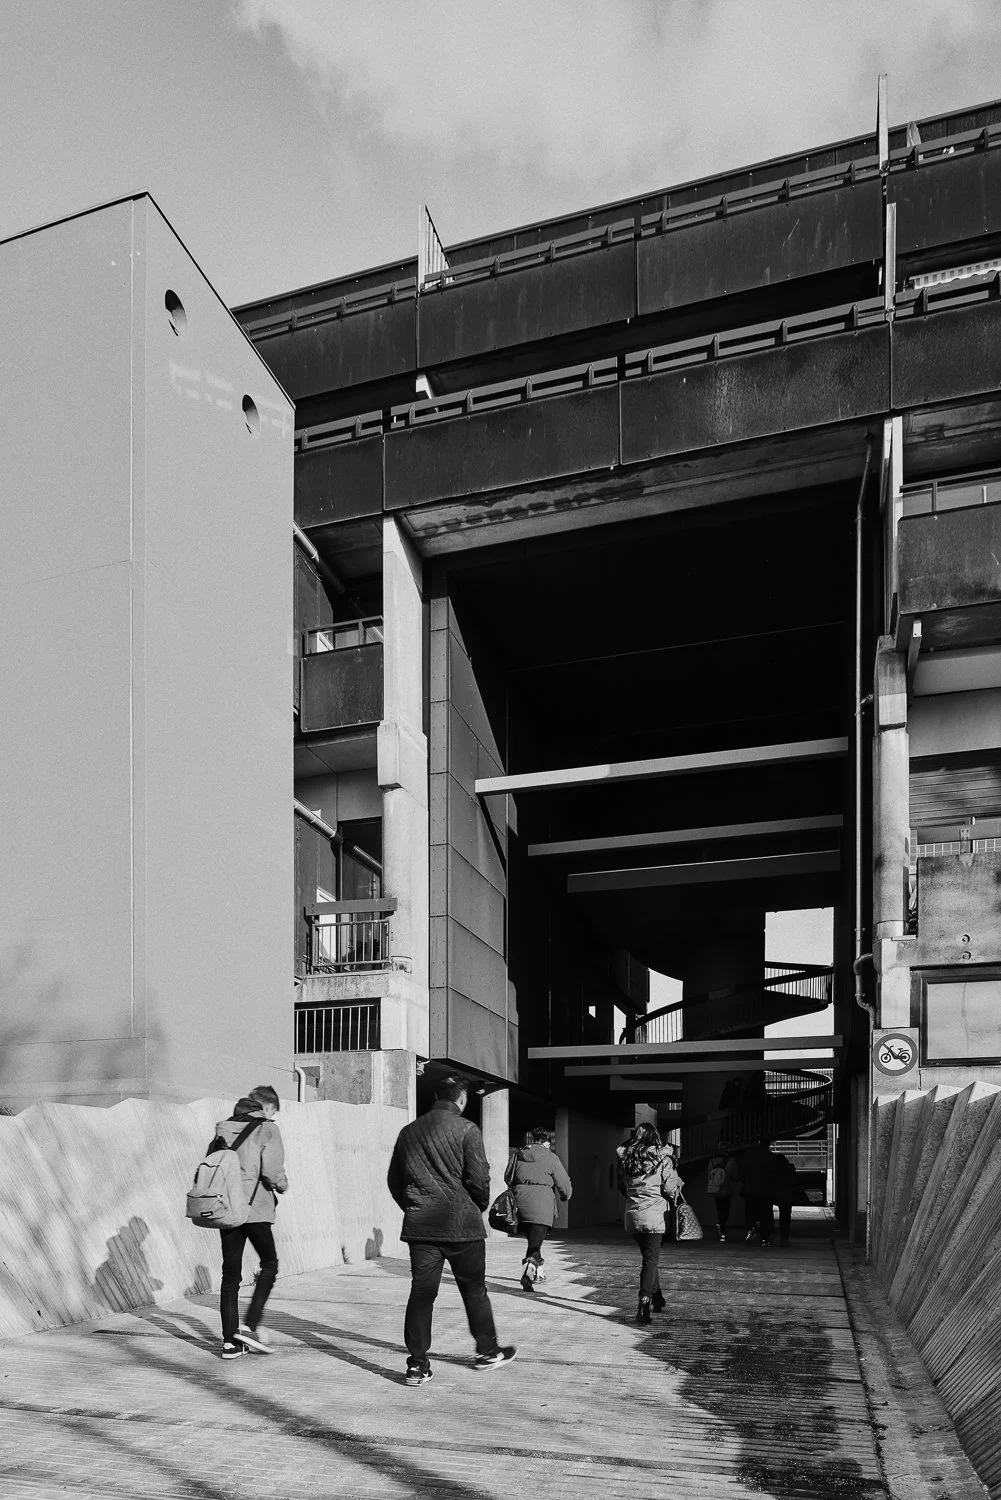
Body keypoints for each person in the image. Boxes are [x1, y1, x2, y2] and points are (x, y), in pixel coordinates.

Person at [387, 1076, 516, 1387]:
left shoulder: (409, 1132)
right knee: (474, 1290)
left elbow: (394, 1180)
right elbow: (479, 1179)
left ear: (436, 1096)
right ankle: (487, 1351)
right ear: (461, 1099)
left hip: (421, 1229)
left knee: (421, 1295)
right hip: (463, 1228)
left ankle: (417, 1365)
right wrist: (479, 1207)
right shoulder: (467, 1130)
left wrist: (414, 1207)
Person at [212, 1085, 288, 1359]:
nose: (273, 1116)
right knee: (270, 1264)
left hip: (227, 1209)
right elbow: (271, 1170)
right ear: (265, 1108)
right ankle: (249, 1325)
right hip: (255, 1210)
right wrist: (283, 1186)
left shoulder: (222, 1128)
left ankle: (230, 1342)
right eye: (273, 1111)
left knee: (230, 1276)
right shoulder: (267, 1129)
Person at [615, 1122, 681, 1323]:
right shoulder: (663, 1158)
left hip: (633, 1215)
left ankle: (658, 1298)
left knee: (650, 1257)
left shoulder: (627, 1159)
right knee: (650, 1260)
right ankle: (644, 1303)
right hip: (654, 1215)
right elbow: (670, 1189)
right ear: (655, 1138)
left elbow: (621, 1186)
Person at [504, 1127, 572, 1292]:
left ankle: (539, 1274)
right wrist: (565, 1196)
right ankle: (527, 1272)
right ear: (547, 1141)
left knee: (534, 1242)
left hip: (520, 1205)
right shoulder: (551, 1157)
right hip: (541, 1206)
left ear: (532, 1139)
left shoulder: (518, 1154)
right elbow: (563, 1183)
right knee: (534, 1245)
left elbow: (507, 1176)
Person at [735, 1133, 778, 1246]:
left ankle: (751, 1228)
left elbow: (741, 1173)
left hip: (750, 1189)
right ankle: (765, 1238)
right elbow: (775, 1176)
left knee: (750, 1211)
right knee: (766, 1214)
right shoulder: (772, 1158)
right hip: (766, 1191)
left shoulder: (749, 1157)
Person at [706, 1141, 739, 1242]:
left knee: (719, 1207)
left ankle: (721, 1225)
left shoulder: (712, 1161)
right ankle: (721, 1225)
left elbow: (709, 1174)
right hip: (726, 1188)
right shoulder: (731, 1160)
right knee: (726, 1209)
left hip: (715, 1188)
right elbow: (733, 1175)